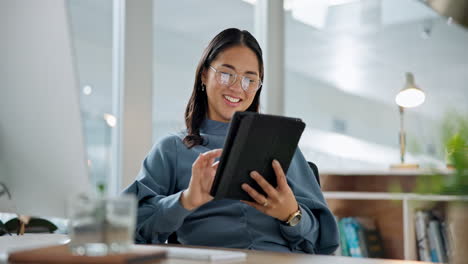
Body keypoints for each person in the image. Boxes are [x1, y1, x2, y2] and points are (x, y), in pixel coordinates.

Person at [124, 28, 339, 254]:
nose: (237, 87)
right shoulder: (172, 149)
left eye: (250, 79)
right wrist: (185, 201)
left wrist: (291, 214)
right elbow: (129, 228)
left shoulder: (282, 146)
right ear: (204, 75)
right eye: (226, 74)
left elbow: (324, 244)